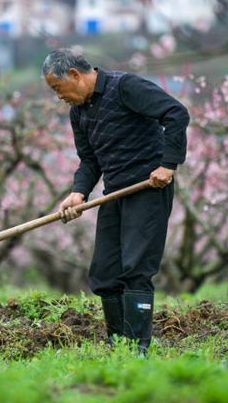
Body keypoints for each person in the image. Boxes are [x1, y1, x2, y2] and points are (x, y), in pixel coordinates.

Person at [42, 48, 190, 355]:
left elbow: (176, 113)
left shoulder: (125, 87)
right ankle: (118, 345)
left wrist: (168, 165)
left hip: (147, 189)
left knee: (136, 268)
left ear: (74, 75)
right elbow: (89, 159)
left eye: (58, 89)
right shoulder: (79, 112)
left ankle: (138, 349)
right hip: (115, 193)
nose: (59, 97)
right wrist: (78, 191)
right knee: (105, 272)